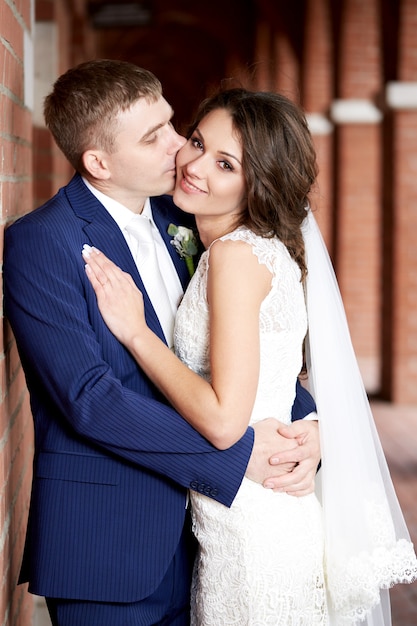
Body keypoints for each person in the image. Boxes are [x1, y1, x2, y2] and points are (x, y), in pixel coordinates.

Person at [3, 60, 321, 626]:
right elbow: (89, 400)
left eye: (176, 126)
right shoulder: (41, 243)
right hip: (112, 543)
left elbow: (249, 341)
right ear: (99, 162)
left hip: (212, 539)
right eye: (156, 138)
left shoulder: (192, 211)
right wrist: (239, 456)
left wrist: (308, 426)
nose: (182, 149)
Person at [83, 88, 417, 625]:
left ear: (255, 183)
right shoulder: (247, 248)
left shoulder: (236, 257)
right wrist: (310, 425)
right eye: (196, 141)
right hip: (246, 518)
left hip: (253, 535)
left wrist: (137, 331)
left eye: (225, 163)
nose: (193, 165)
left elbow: (222, 420)